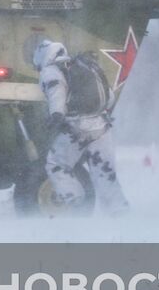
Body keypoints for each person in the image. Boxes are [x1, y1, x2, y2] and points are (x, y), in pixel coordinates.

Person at [29, 38, 129, 215]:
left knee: (56, 165)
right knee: (105, 173)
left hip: (77, 127)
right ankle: (119, 212)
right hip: (101, 126)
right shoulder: (86, 65)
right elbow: (109, 96)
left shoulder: (51, 70)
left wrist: (56, 115)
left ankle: (77, 206)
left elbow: (56, 91)